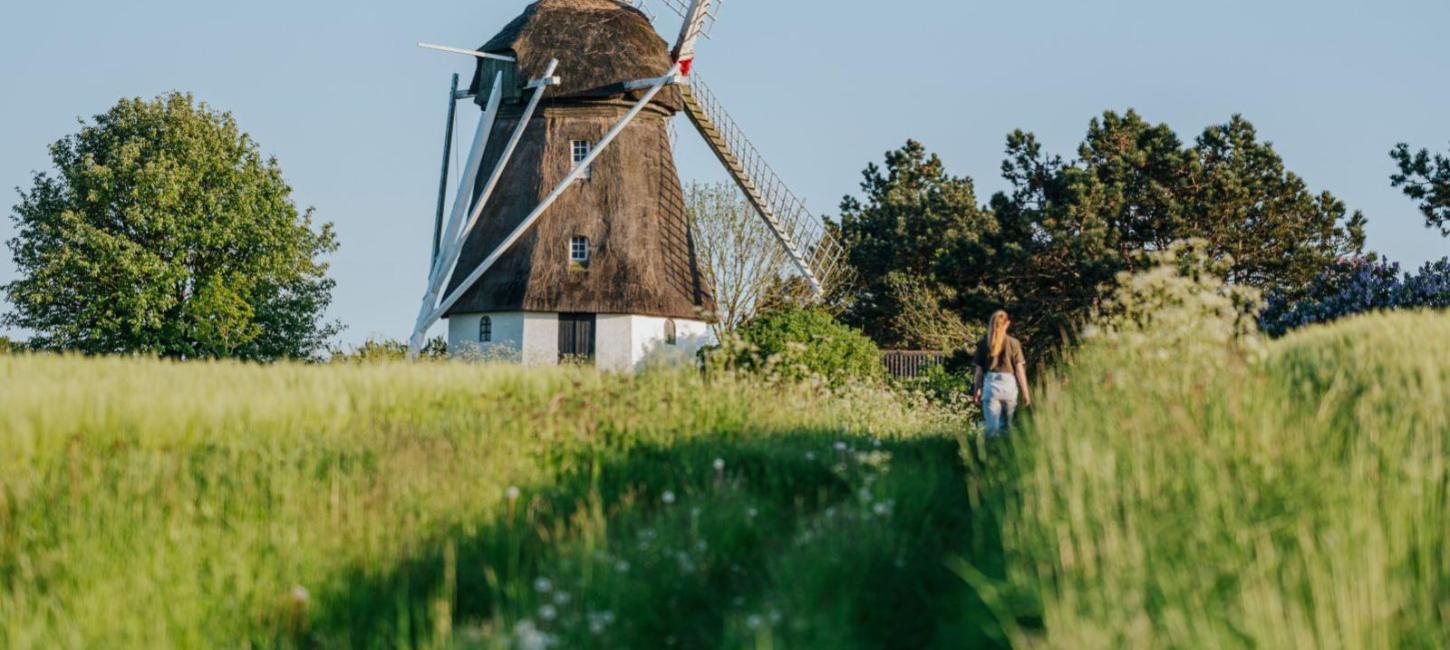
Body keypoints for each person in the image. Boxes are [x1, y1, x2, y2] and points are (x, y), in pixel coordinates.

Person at [972, 310, 1031, 436]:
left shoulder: (983, 344)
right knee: (1006, 429)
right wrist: (1025, 393)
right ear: (1007, 324)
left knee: (992, 429)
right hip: (1009, 388)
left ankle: (988, 454)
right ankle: (1004, 454)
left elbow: (978, 372)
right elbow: (1019, 370)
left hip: (991, 387)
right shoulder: (1014, 343)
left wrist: (977, 389)